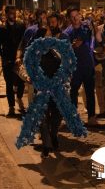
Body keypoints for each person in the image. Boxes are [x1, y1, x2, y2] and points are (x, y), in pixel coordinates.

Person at [39, 12, 70, 158]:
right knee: (42, 115)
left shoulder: (63, 37)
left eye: (54, 21)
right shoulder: (41, 38)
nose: (52, 24)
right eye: (49, 22)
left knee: (57, 113)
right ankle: (46, 144)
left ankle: (53, 135)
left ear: (58, 22)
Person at [64, 7, 97, 125]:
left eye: (76, 15)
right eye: (72, 17)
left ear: (79, 15)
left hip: (88, 64)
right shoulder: (67, 33)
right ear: (69, 19)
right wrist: (71, 47)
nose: (75, 18)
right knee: (73, 92)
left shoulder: (86, 27)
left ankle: (92, 116)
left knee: (89, 92)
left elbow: (90, 33)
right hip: (75, 67)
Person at [0, 6, 26, 116]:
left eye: (14, 13)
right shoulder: (1, 28)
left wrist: (22, 54)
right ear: (6, 14)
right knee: (9, 83)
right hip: (7, 59)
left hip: (19, 58)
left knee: (21, 81)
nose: (13, 15)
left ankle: (19, 98)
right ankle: (11, 107)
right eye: (11, 13)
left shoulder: (21, 25)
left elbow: (24, 41)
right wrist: (3, 55)